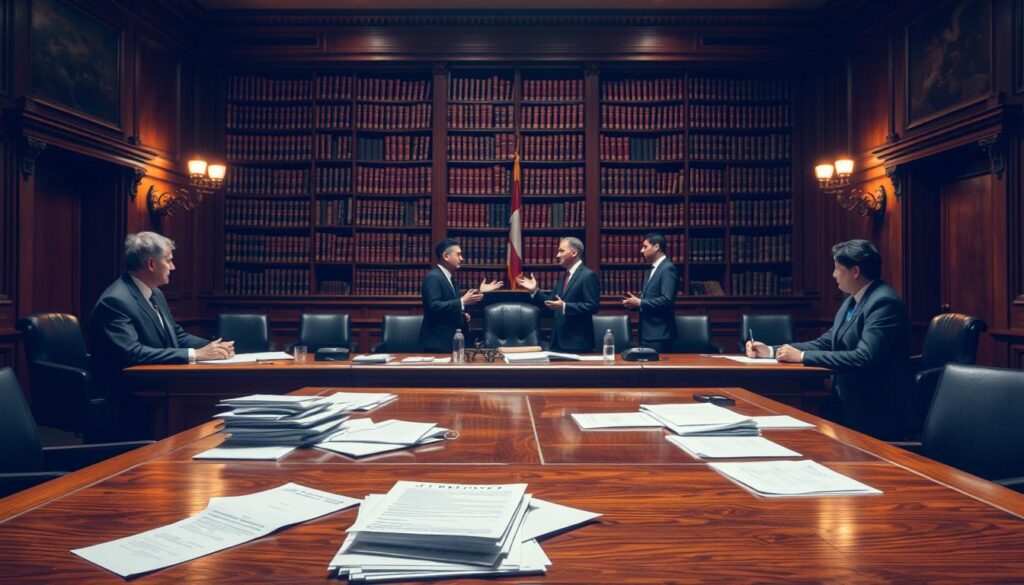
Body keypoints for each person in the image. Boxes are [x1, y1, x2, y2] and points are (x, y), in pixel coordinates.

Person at [746, 239, 911, 439]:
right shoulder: (852, 299)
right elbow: (826, 342)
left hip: (874, 411)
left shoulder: (884, 303)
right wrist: (771, 351)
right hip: (844, 406)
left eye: (837, 269)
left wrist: (803, 357)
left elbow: (864, 357)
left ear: (855, 271)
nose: (833, 275)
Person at [90, 232, 235, 437]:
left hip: (158, 384)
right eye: (169, 261)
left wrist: (214, 347)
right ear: (151, 263)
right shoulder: (116, 301)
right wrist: (195, 355)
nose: (173, 267)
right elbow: (132, 353)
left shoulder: (154, 292)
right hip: (131, 397)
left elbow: (174, 334)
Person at [516, 237, 600, 353]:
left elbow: (592, 306)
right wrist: (534, 291)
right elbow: (550, 302)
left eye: (561, 251)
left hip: (578, 344)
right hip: (558, 342)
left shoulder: (588, 275)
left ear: (574, 252)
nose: (557, 255)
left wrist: (565, 306)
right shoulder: (564, 276)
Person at [419, 238, 503, 353]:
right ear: (446, 256)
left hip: (449, 343)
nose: (461, 258)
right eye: (458, 254)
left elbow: (450, 305)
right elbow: (434, 307)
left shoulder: (450, 278)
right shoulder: (433, 277)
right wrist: (462, 302)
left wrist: (479, 292)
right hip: (437, 344)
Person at [622, 233, 679, 353]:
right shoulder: (652, 269)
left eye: (645, 246)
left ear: (656, 247)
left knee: (658, 371)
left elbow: (667, 300)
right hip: (647, 332)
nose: (641, 250)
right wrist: (636, 304)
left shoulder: (668, 268)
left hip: (659, 334)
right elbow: (650, 300)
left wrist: (640, 302)